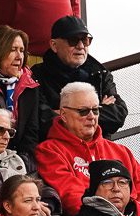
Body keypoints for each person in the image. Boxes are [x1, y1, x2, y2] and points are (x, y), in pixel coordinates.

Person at [34, 82, 140, 216]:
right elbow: (72, 197)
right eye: (83, 111)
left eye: (95, 110)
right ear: (63, 115)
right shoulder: (50, 151)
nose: (91, 116)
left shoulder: (122, 151)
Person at [29, 15, 125, 144]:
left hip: (96, 150)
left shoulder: (100, 73)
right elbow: (41, 120)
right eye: (73, 40)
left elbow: (118, 115)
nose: (80, 46)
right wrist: (99, 109)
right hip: (56, 152)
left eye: (85, 40)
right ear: (54, 45)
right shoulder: (36, 75)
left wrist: (65, 114)